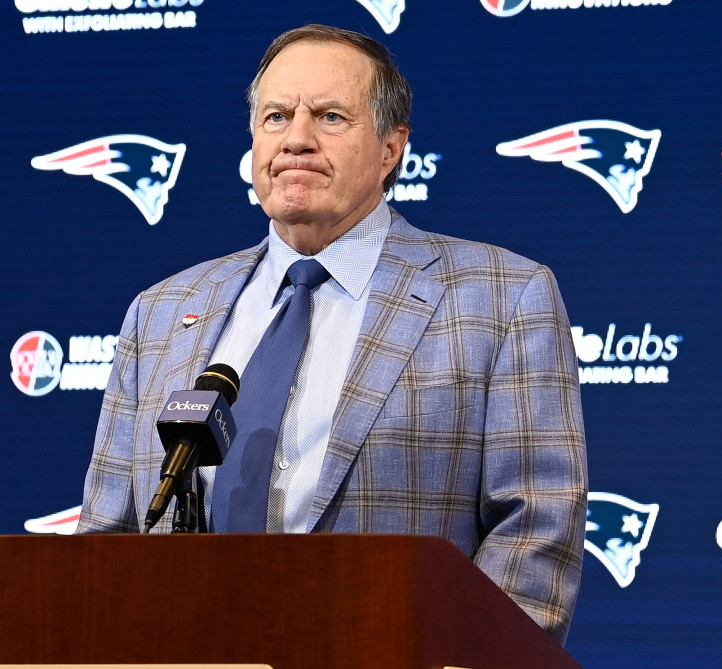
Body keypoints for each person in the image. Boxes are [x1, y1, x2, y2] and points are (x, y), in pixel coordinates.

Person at [77, 24, 588, 645]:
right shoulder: (160, 312)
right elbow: (107, 538)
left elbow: (536, 530)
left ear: (391, 148)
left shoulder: (502, 296)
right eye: (276, 116)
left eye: (330, 116)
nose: (296, 139)